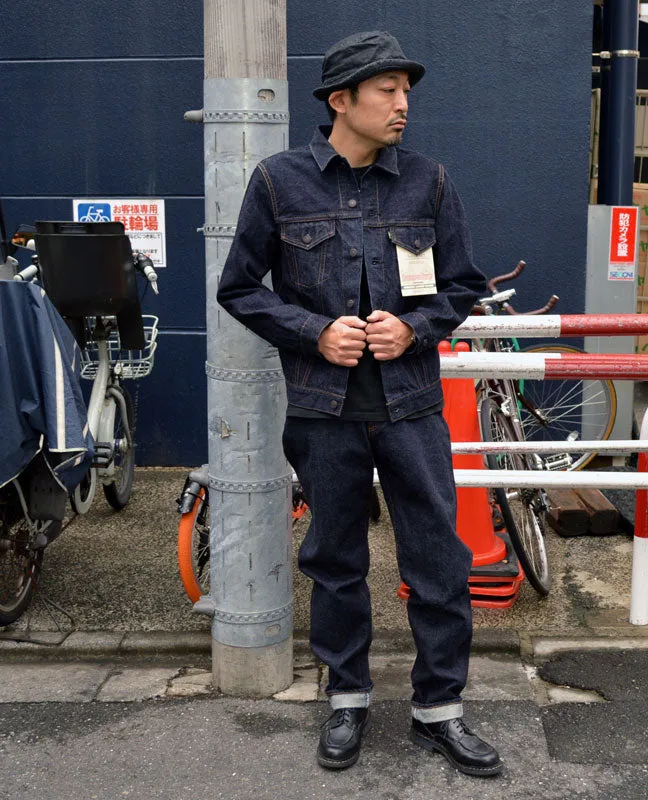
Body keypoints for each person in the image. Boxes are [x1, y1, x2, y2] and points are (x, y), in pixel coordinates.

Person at [217, 30, 501, 778]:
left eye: (407, 91)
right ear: (341, 100)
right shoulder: (279, 183)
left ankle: (440, 711)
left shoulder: (429, 183)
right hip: (323, 412)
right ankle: (347, 699)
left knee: (438, 560)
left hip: (412, 408)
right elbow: (239, 287)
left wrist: (414, 324)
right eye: (388, 91)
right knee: (335, 562)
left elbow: (464, 285)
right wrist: (315, 332)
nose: (403, 104)